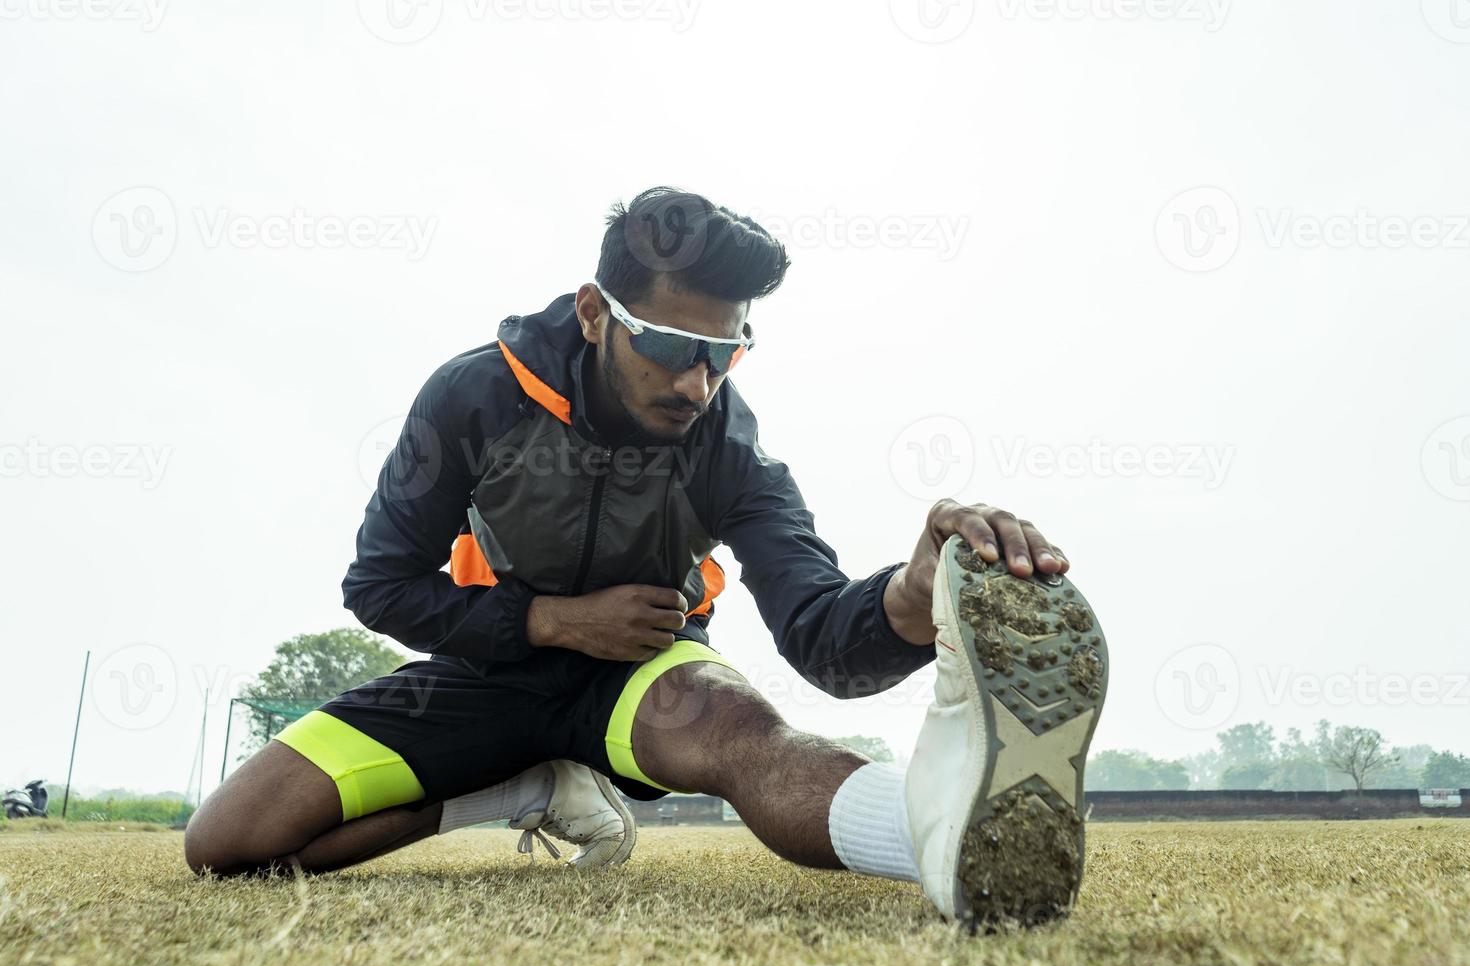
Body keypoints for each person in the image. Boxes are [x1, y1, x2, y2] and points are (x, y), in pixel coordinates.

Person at [185, 187, 1108, 926]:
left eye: (725, 353)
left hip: (642, 676)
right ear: (595, 313)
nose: (694, 383)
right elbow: (379, 583)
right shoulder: (472, 397)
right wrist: (550, 620)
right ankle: (521, 786)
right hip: (487, 668)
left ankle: (951, 845)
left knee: (748, 739)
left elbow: (823, 638)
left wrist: (909, 595)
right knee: (226, 845)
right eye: (669, 345)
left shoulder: (728, 446)